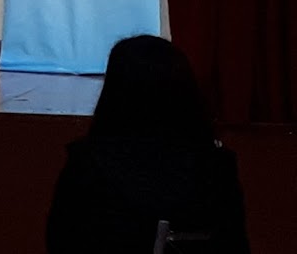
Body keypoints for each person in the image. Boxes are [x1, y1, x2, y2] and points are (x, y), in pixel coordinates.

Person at [46, 35, 250, 253]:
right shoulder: (216, 168)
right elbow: (235, 245)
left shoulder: (86, 165)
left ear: (114, 93)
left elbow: (60, 242)